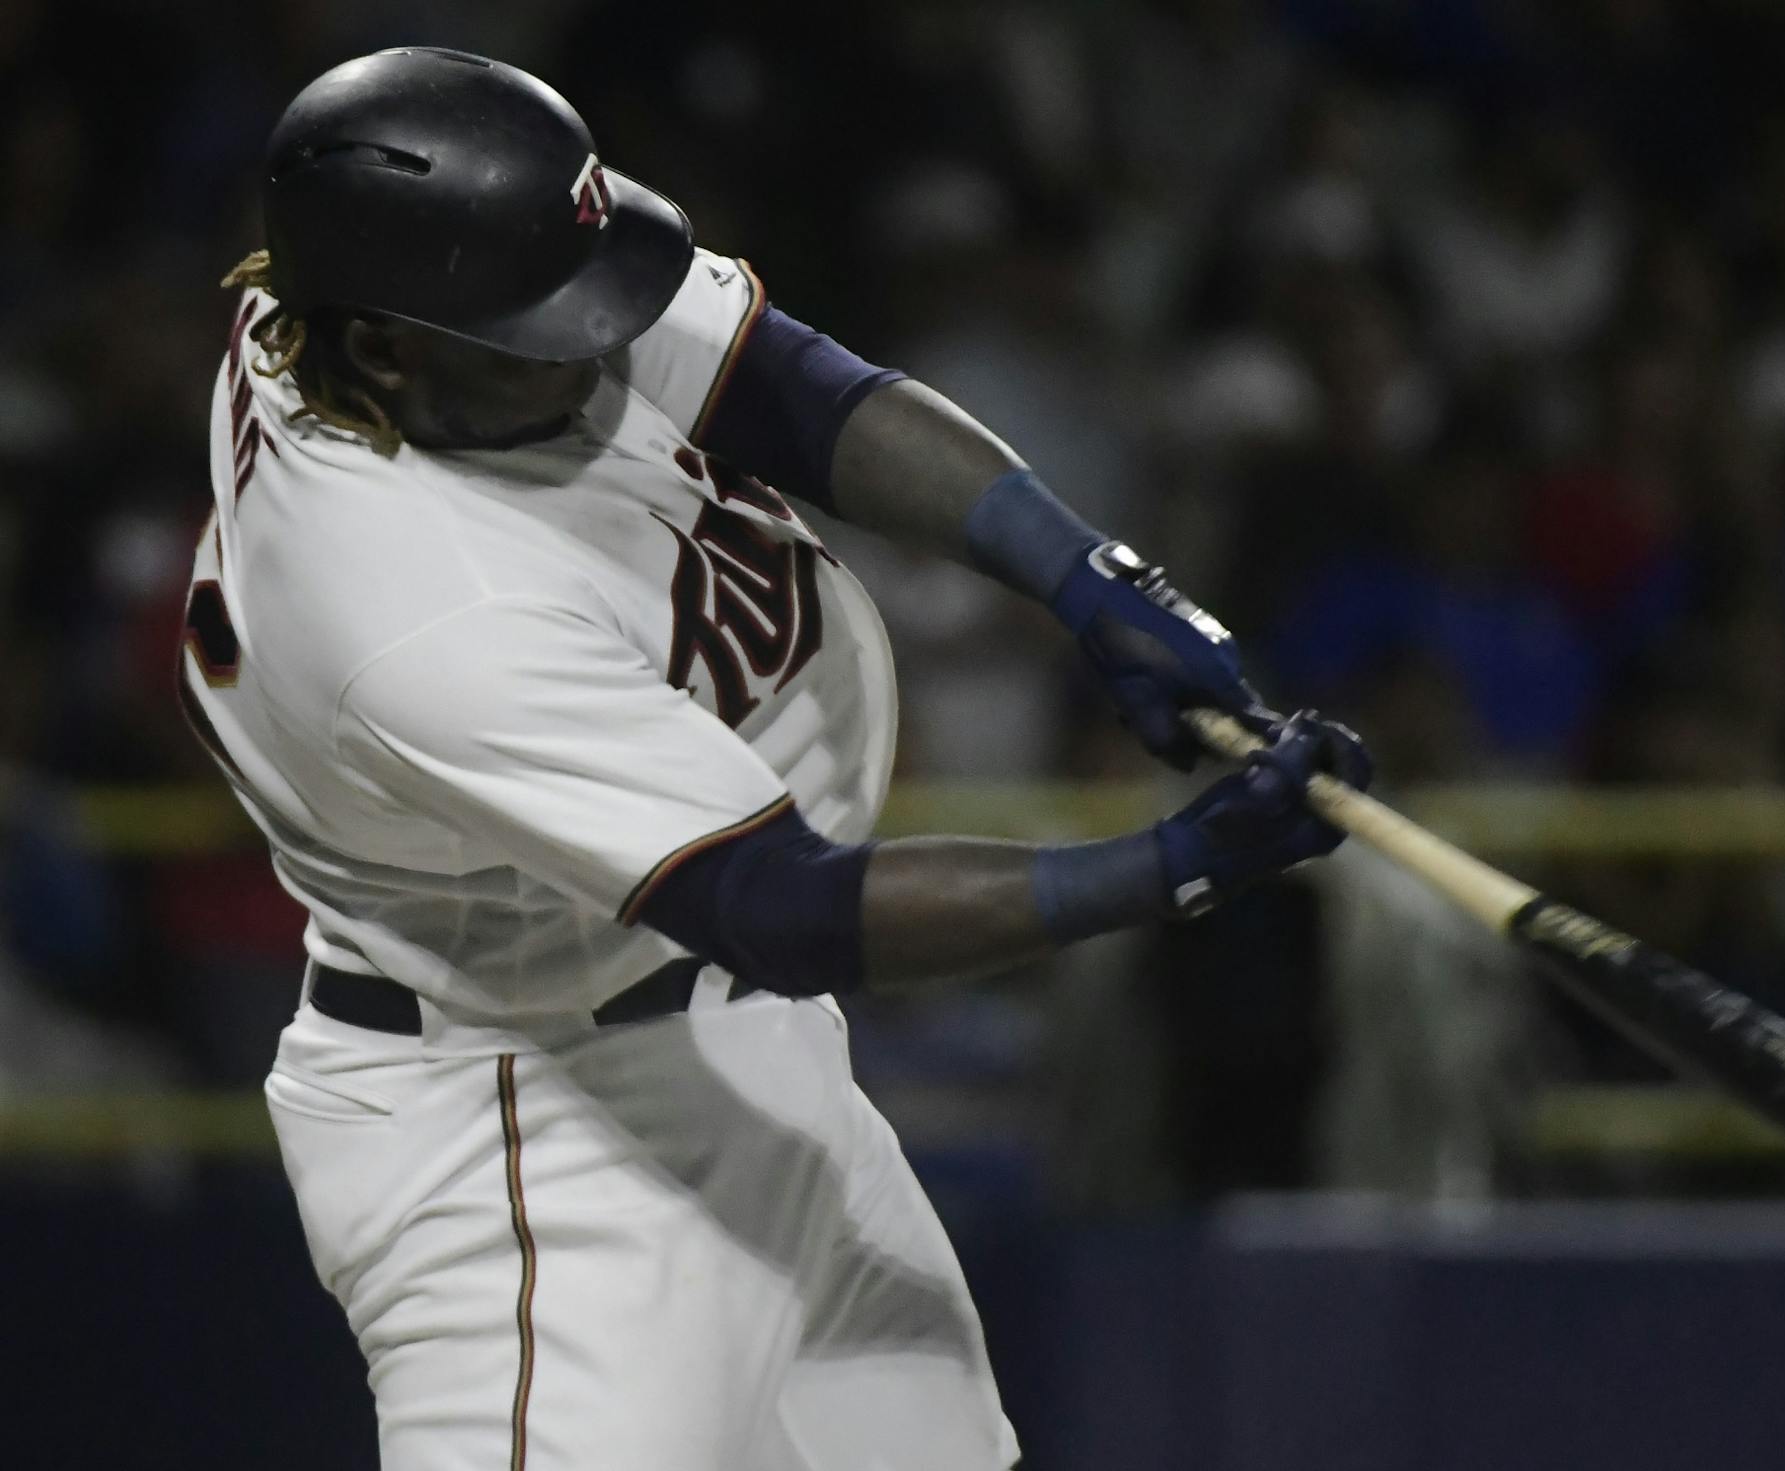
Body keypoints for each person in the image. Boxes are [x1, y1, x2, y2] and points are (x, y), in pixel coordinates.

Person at [183, 49, 1369, 1471]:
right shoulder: (414, 603)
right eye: (549, 328)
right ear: (384, 349)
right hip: (535, 1133)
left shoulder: (391, 299)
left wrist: (1090, 576)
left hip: (734, 1045)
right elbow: (787, 907)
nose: (602, 340)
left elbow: (792, 387)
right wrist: (1173, 867)